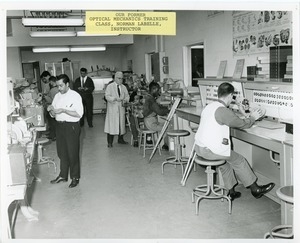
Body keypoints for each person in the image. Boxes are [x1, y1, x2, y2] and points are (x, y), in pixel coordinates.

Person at [194, 82, 275, 200]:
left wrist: (241, 110)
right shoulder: (222, 110)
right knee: (239, 160)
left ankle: (231, 192)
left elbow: (232, 120)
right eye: (233, 96)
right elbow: (241, 124)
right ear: (230, 95)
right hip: (209, 150)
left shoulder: (211, 106)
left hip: (199, 148)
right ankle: (255, 189)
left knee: (225, 163)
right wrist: (253, 117)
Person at [47, 74, 83, 188]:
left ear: (67, 84)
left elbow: (79, 114)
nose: (59, 88)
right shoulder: (57, 96)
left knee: (72, 153)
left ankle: (75, 177)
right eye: (58, 86)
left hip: (71, 126)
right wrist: (51, 110)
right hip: (59, 126)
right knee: (62, 152)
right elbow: (53, 114)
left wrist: (63, 110)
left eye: (61, 85)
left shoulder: (75, 96)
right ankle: (63, 176)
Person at [104, 71, 130, 147]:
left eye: (122, 79)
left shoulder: (124, 87)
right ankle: (109, 142)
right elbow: (107, 96)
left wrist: (125, 100)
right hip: (113, 108)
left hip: (121, 108)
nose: (121, 80)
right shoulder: (110, 86)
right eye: (119, 78)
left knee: (121, 125)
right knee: (111, 126)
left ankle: (120, 139)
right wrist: (114, 99)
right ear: (115, 78)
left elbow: (127, 96)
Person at [143, 81, 170, 150]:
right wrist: (169, 109)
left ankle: (165, 144)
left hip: (148, 121)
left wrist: (166, 108)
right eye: (158, 90)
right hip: (151, 123)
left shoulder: (149, 97)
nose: (159, 92)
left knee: (165, 125)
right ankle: (165, 145)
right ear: (154, 90)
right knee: (168, 128)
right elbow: (159, 111)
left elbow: (157, 108)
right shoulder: (151, 100)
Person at [44, 76, 59, 140]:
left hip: (53, 107)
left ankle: (52, 135)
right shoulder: (58, 88)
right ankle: (53, 134)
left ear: (52, 81)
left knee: (51, 121)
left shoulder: (53, 90)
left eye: (50, 82)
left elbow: (51, 100)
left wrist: (44, 96)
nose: (50, 83)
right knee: (54, 122)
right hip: (57, 107)